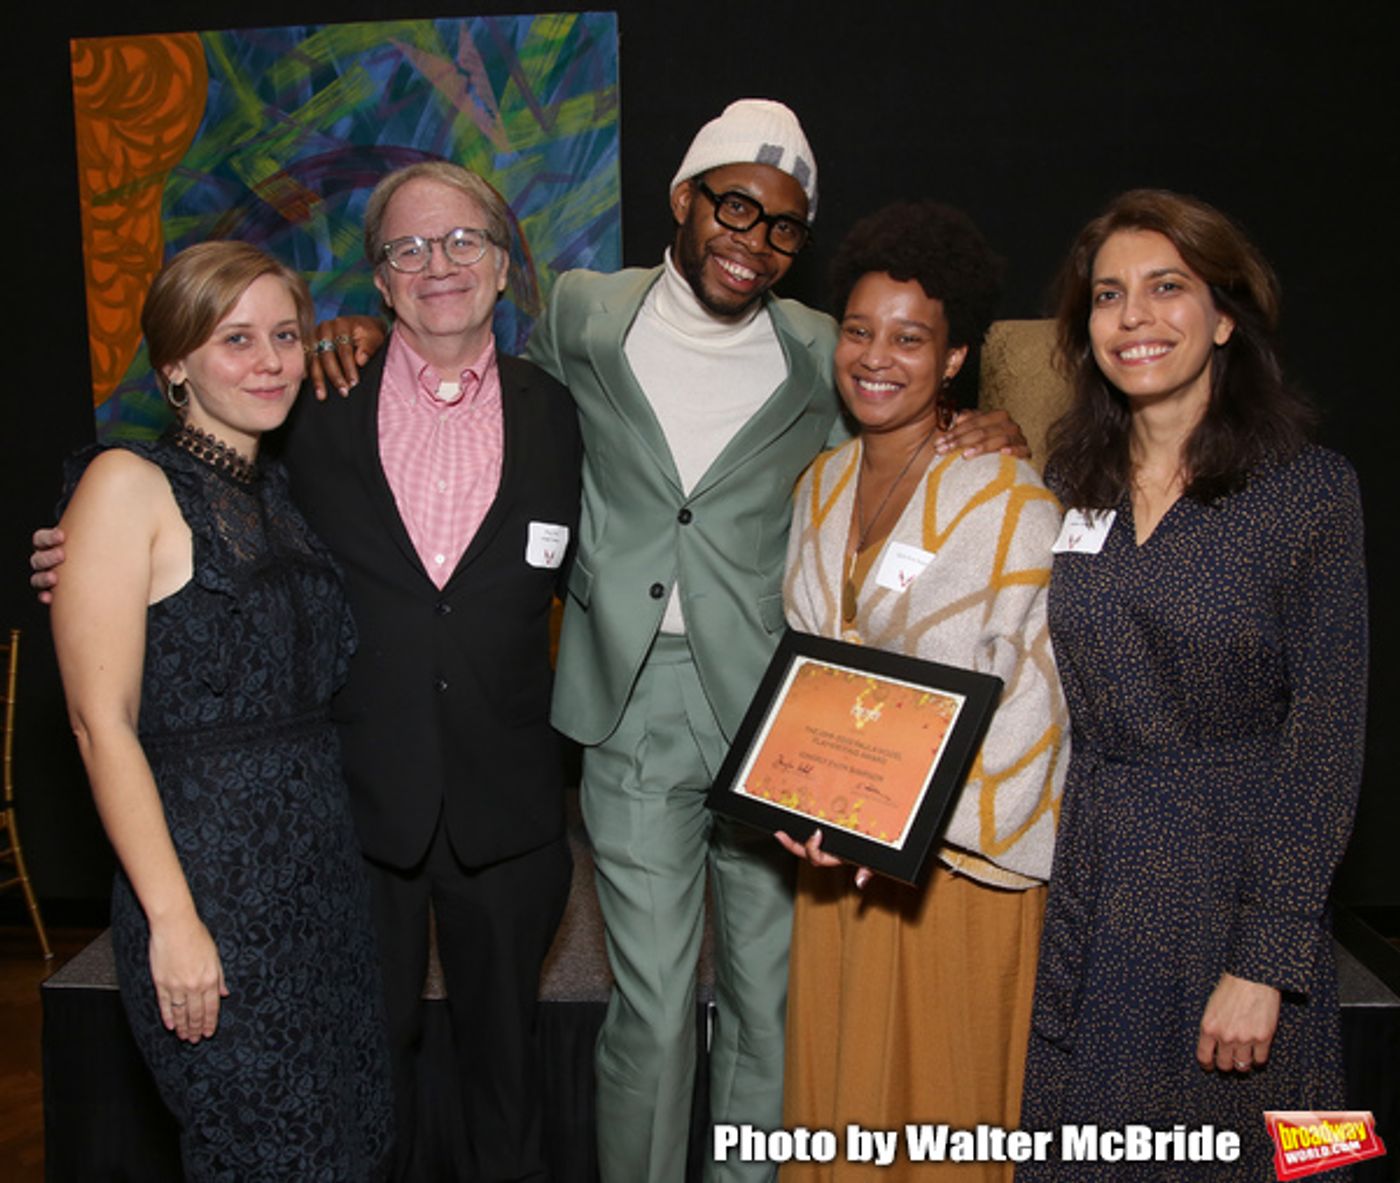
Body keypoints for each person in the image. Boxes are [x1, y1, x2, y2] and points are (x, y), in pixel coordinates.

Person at [38, 163, 582, 1182]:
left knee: (472, 1090)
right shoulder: (316, 413)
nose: (438, 266)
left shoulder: (559, 411)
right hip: (345, 820)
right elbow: (120, 643)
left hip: (486, 816)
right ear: (377, 282)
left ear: (503, 265)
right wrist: (77, 554)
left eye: (462, 241)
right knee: (329, 1095)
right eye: (407, 248)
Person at [522, 105, 1029, 1182]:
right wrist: (370, 342)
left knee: (767, 1000)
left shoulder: (818, 345)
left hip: (770, 710)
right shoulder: (581, 314)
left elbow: (901, 422)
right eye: (735, 207)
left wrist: (990, 421)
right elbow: (501, 409)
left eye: (784, 227)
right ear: (684, 200)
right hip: (627, 704)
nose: (753, 239)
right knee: (653, 1007)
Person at [1018, 189, 1367, 1179]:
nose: (1132, 318)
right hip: (1096, 878)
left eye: (1164, 289)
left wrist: (1267, 953)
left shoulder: (1306, 490)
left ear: (1221, 316)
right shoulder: (1063, 487)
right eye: (1106, 295)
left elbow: (1327, 729)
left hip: (1235, 876)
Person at [49, 240, 393, 1180]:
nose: (271, 360)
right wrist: (174, 919)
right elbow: (98, 723)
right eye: (234, 338)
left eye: (285, 334)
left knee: (346, 1140)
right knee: (264, 1149)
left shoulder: (275, 495)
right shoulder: (126, 485)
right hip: (211, 894)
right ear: (175, 363)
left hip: (318, 889)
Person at [776, 202, 1068, 1182]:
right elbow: (815, 671)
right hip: (841, 867)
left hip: (952, 875)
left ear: (953, 359)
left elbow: (1033, 704)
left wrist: (906, 829)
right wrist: (808, 804)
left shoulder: (1012, 499)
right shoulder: (818, 486)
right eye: (858, 331)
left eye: (910, 337)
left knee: (937, 1126)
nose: (875, 357)